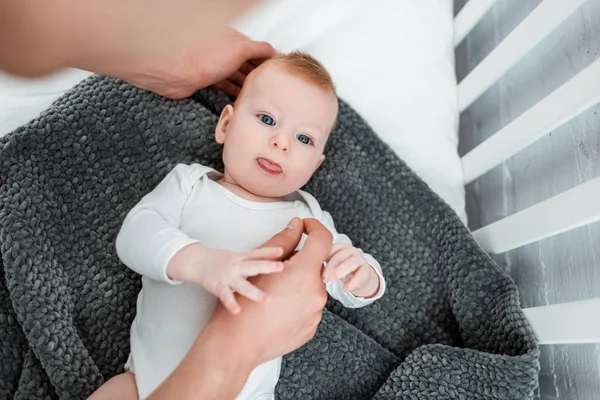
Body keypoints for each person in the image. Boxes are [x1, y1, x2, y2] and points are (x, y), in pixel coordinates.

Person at [92, 52, 386, 399]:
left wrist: (364, 277)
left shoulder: (308, 219)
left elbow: (343, 278)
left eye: (304, 139)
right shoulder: (191, 184)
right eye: (266, 118)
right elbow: (135, 235)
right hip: (143, 382)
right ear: (226, 125)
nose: (282, 142)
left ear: (316, 166)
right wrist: (200, 262)